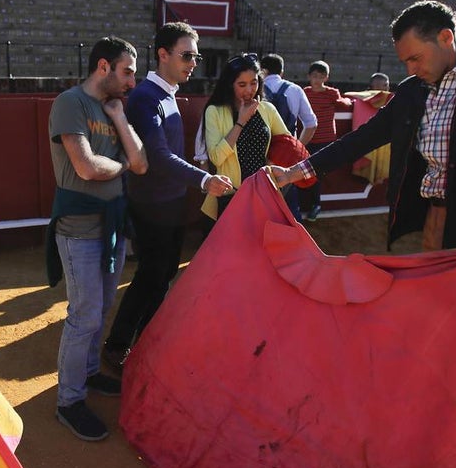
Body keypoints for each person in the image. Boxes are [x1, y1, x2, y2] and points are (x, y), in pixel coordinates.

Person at [271, 0, 456, 267]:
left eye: (416, 58)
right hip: (434, 214)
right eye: (406, 62)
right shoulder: (413, 90)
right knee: (438, 302)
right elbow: (362, 138)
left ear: (446, 38)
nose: (411, 69)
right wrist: (296, 171)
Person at [101, 22, 232, 374]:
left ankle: (145, 340)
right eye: (186, 55)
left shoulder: (165, 94)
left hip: (169, 202)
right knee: (151, 275)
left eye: (196, 55)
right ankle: (119, 345)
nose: (194, 62)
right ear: (162, 54)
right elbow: (157, 156)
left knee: (161, 274)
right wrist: (203, 179)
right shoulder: (146, 98)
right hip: (153, 205)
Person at [46, 36, 147, 441]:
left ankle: (88, 375)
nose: (132, 81)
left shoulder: (111, 107)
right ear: (103, 66)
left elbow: (140, 161)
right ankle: (68, 400)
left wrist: (120, 117)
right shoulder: (70, 103)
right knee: (85, 314)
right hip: (79, 229)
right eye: (127, 72)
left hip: (111, 229)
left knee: (102, 306)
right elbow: (86, 167)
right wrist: (122, 164)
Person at [201, 53, 291, 220]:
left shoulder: (267, 109)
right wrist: (240, 122)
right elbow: (216, 158)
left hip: (263, 194)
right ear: (230, 85)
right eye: (242, 84)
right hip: (230, 194)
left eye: (254, 83)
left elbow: (286, 145)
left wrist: (272, 163)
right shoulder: (215, 111)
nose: (249, 90)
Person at [260, 53, 317, 223]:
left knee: (261, 203)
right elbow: (311, 123)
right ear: (282, 71)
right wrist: (297, 145)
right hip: (286, 155)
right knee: (290, 205)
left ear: (263, 70)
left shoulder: (253, 87)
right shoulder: (294, 89)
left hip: (259, 153)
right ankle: (294, 243)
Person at [300, 60, 352, 222]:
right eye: (314, 76)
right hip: (307, 139)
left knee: (315, 173)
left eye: (321, 76)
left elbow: (344, 104)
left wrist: (349, 101)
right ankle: (307, 205)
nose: (317, 80)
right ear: (309, 77)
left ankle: (315, 205)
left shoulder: (331, 93)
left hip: (325, 140)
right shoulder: (304, 92)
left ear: (326, 77)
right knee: (304, 172)